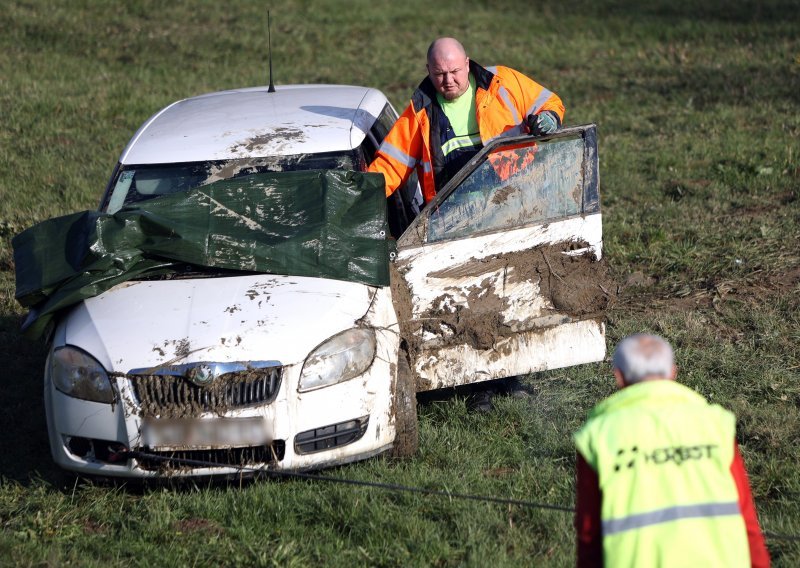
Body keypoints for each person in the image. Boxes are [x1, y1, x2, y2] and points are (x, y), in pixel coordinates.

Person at [573, 334, 770, 567]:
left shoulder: (600, 435)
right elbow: (746, 519)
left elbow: (589, 535)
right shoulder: (714, 425)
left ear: (619, 377)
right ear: (673, 372)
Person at [368, 37, 565, 205]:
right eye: (439, 74)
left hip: (519, 196)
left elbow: (548, 102)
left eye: (454, 71)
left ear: (467, 64)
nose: (448, 80)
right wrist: (359, 195)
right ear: (428, 70)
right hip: (454, 214)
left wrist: (550, 117)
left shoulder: (503, 81)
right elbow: (391, 165)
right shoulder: (420, 111)